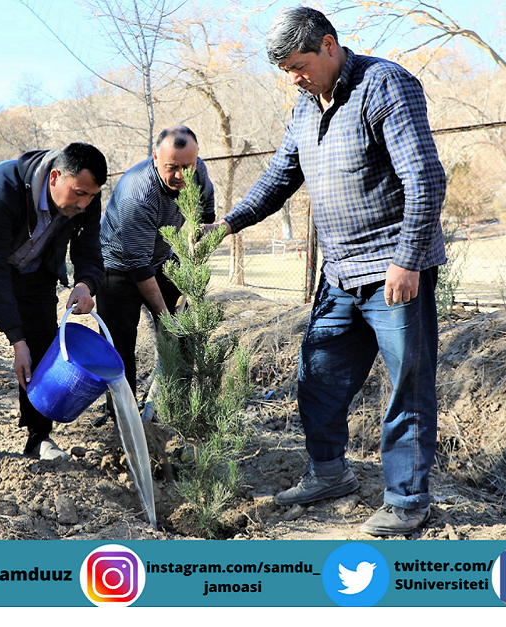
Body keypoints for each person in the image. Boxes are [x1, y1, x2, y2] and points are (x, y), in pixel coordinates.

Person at [205, 7, 447, 536]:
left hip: (393, 272)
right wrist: (227, 224)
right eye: (286, 71)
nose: (294, 77)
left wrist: (407, 259)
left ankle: (408, 499)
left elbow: (425, 178)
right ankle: (329, 473)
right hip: (338, 274)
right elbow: (279, 176)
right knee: (318, 377)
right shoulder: (304, 106)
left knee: (407, 384)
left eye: (299, 65)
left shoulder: (385, 85)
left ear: (329, 45)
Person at [0, 142, 108, 464]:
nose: (84, 203)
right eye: (79, 194)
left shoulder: (87, 198)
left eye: (91, 196)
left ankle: (38, 436)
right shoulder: (5, 186)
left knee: (43, 344)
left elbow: (88, 248)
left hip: (33, 269)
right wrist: (16, 339)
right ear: (55, 177)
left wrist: (86, 284)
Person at [97, 126, 215, 414]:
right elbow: (138, 266)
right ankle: (123, 423)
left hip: (161, 256)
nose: (180, 175)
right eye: (171, 167)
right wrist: (164, 318)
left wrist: (200, 241)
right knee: (120, 347)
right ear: (155, 158)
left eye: (186, 166)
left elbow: (205, 219)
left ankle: (174, 410)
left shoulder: (197, 171)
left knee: (185, 332)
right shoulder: (137, 194)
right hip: (118, 265)